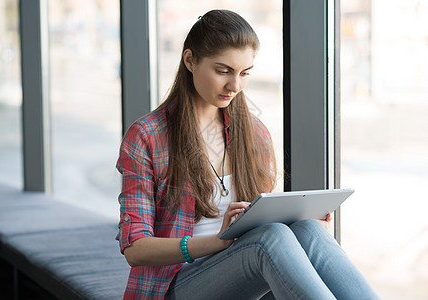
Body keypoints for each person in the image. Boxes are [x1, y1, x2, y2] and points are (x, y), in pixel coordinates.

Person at [116, 9, 379, 300]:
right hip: (174, 286)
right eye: (223, 71)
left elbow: (262, 219)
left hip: (243, 274)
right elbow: (135, 248)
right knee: (270, 239)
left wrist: (296, 218)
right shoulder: (148, 136)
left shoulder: (254, 133)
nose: (235, 86)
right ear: (190, 60)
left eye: (244, 74)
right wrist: (216, 242)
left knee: (307, 230)